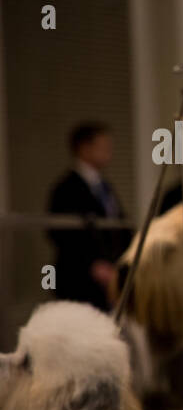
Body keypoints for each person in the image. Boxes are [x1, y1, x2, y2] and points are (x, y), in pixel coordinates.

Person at [47, 121, 132, 311]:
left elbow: (119, 224)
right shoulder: (66, 187)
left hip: (109, 278)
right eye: (103, 146)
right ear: (84, 148)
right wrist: (91, 265)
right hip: (79, 281)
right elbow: (60, 234)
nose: (109, 152)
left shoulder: (104, 186)